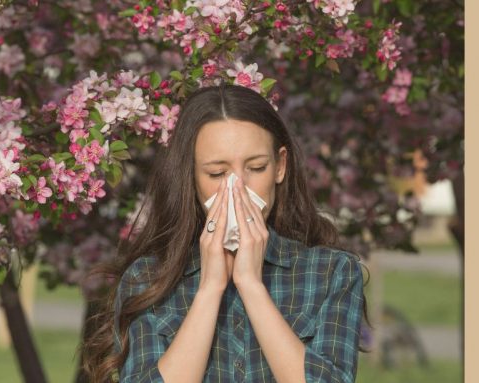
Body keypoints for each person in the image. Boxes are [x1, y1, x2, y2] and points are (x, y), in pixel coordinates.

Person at [82, 83, 370, 382]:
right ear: (191, 177)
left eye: (256, 168)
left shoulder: (331, 272)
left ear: (280, 166)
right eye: (217, 174)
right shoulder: (146, 280)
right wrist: (210, 289)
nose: (238, 187)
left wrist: (251, 286)